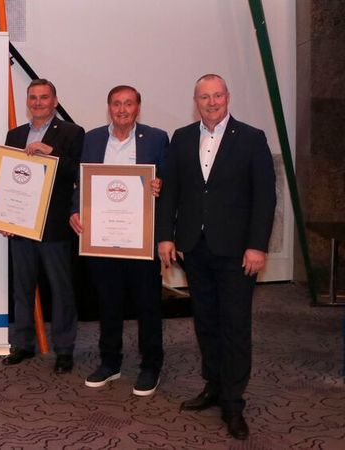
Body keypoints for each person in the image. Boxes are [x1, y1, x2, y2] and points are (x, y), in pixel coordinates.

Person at [156, 74, 276, 440]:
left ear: (228, 97)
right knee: (205, 321)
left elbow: (265, 197)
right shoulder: (182, 137)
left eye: (218, 95)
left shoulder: (253, 138)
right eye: (205, 97)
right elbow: (171, 190)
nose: (212, 102)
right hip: (194, 247)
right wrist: (165, 237)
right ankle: (213, 385)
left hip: (238, 252)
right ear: (196, 100)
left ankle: (233, 402)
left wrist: (257, 245)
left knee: (235, 325)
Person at [69, 85, 167, 396]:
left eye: (128, 104)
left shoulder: (156, 138)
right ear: (108, 107)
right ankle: (110, 362)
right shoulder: (93, 138)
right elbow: (81, 182)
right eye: (116, 104)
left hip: (141, 239)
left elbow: (170, 180)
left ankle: (151, 365)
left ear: (138, 108)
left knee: (147, 305)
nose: (122, 109)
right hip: (103, 238)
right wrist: (75, 210)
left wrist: (160, 185)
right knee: (108, 303)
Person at [1, 79, 84, 374]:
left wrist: (53, 155)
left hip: (54, 226)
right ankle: (23, 343)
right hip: (21, 224)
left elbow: (79, 172)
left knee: (61, 290)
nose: (38, 103)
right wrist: (4, 216)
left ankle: (64, 349)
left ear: (55, 100)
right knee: (22, 288)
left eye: (44, 97)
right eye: (33, 98)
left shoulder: (72, 132)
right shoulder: (15, 134)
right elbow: (8, 178)